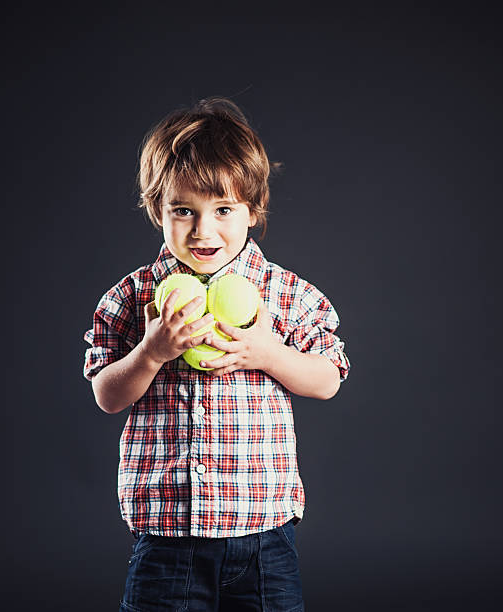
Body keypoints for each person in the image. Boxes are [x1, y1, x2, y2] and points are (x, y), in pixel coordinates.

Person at [83, 96, 351, 611]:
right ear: (156, 208)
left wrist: (268, 353)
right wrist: (151, 352)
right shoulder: (134, 296)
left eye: (223, 210)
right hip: (167, 538)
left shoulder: (286, 293)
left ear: (252, 210)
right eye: (183, 211)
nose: (203, 231)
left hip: (263, 537)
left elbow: (328, 378)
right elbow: (106, 395)